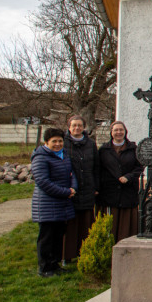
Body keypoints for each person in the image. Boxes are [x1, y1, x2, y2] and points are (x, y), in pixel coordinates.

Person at [31, 128, 76, 277]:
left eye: (60, 141)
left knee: (58, 236)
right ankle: (44, 268)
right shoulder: (40, 158)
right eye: (54, 141)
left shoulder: (64, 155)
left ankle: (54, 265)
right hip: (47, 204)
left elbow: (72, 174)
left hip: (61, 204)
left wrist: (73, 188)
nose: (58, 144)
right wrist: (66, 192)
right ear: (46, 142)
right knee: (46, 238)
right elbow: (43, 182)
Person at [62, 115, 99, 263]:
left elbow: (96, 166)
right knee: (70, 224)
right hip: (70, 188)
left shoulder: (91, 144)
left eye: (79, 125)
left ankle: (84, 252)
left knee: (85, 223)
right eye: (74, 125)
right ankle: (67, 255)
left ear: (84, 127)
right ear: (69, 127)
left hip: (88, 187)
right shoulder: (63, 143)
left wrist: (96, 186)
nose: (77, 128)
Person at [98, 121, 142, 242]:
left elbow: (139, 167)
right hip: (109, 193)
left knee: (126, 225)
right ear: (111, 132)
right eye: (115, 130)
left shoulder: (133, 149)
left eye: (121, 130)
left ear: (125, 132)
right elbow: (99, 169)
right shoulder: (104, 149)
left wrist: (129, 177)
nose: (118, 132)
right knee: (111, 225)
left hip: (128, 192)